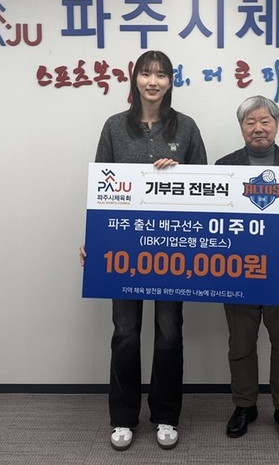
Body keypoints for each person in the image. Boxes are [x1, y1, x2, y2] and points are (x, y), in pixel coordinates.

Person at [81, 50, 207, 451]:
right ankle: (123, 417)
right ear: (134, 79)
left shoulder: (186, 127)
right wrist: (94, 240)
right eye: (146, 74)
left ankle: (166, 415)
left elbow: (206, 188)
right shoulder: (114, 127)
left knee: (169, 333)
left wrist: (179, 174)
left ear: (171, 82)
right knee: (125, 333)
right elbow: (101, 188)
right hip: (123, 248)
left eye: (161, 75)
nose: (153, 81)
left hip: (172, 247)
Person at [215, 95, 279, 444]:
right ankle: (244, 405)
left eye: (265, 121)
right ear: (241, 127)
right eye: (250, 122)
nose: (258, 128)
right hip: (238, 271)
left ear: (276, 125)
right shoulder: (225, 166)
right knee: (240, 345)